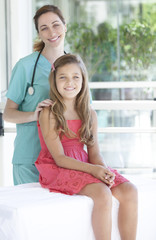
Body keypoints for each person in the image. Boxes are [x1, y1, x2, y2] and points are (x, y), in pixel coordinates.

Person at [35, 54, 138, 240]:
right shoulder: (49, 112)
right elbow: (59, 158)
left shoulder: (89, 113)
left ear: (83, 79)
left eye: (76, 76)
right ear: (54, 81)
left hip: (84, 163)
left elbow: (95, 153)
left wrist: (104, 170)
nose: (70, 82)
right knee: (102, 192)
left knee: (130, 190)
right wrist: (94, 170)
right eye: (63, 77)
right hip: (57, 166)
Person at [3, 5, 67, 185]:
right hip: (30, 158)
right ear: (39, 34)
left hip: (65, 158)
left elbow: (85, 108)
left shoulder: (74, 66)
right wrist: (34, 115)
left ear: (65, 26)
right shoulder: (25, 66)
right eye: (44, 28)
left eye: (55, 25)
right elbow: (8, 113)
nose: (51, 32)